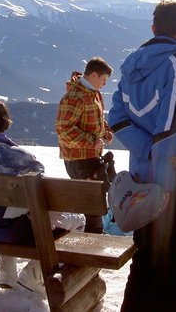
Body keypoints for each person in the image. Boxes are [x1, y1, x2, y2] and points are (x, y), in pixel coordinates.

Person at [108, 0, 176, 311]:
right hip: (172, 185)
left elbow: (117, 118)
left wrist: (145, 151)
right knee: (175, 268)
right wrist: (165, 187)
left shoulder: (132, 64)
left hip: (140, 179)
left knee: (146, 262)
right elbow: (172, 126)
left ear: (153, 28)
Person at [0, 98, 84, 292]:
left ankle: (6, 273)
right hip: (18, 232)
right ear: (5, 123)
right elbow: (44, 195)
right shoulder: (20, 157)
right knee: (77, 221)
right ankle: (33, 273)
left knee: (4, 211)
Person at [55, 57, 113, 234]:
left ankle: (92, 238)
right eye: (103, 80)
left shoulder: (91, 92)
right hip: (79, 158)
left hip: (89, 156)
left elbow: (92, 120)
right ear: (93, 74)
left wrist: (105, 132)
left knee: (95, 200)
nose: (104, 84)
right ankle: (91, 242)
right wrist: (92, 141)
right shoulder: (75, 96)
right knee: (92, 203)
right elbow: (63, 129)